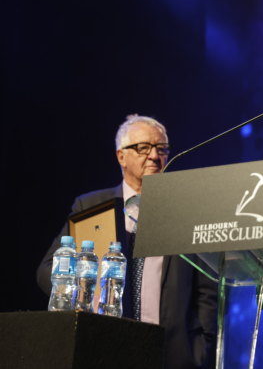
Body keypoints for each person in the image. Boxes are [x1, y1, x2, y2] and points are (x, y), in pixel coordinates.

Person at [37, 114, 217, 369]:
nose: (155, 156)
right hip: (103, 347)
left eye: (162, 148)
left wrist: (200, 353)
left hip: (170, 354)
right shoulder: (91, 207)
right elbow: (46, 270)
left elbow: (207, 292)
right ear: (121, 156)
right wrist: (79, 292)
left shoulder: (187, 212)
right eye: (143, 148)